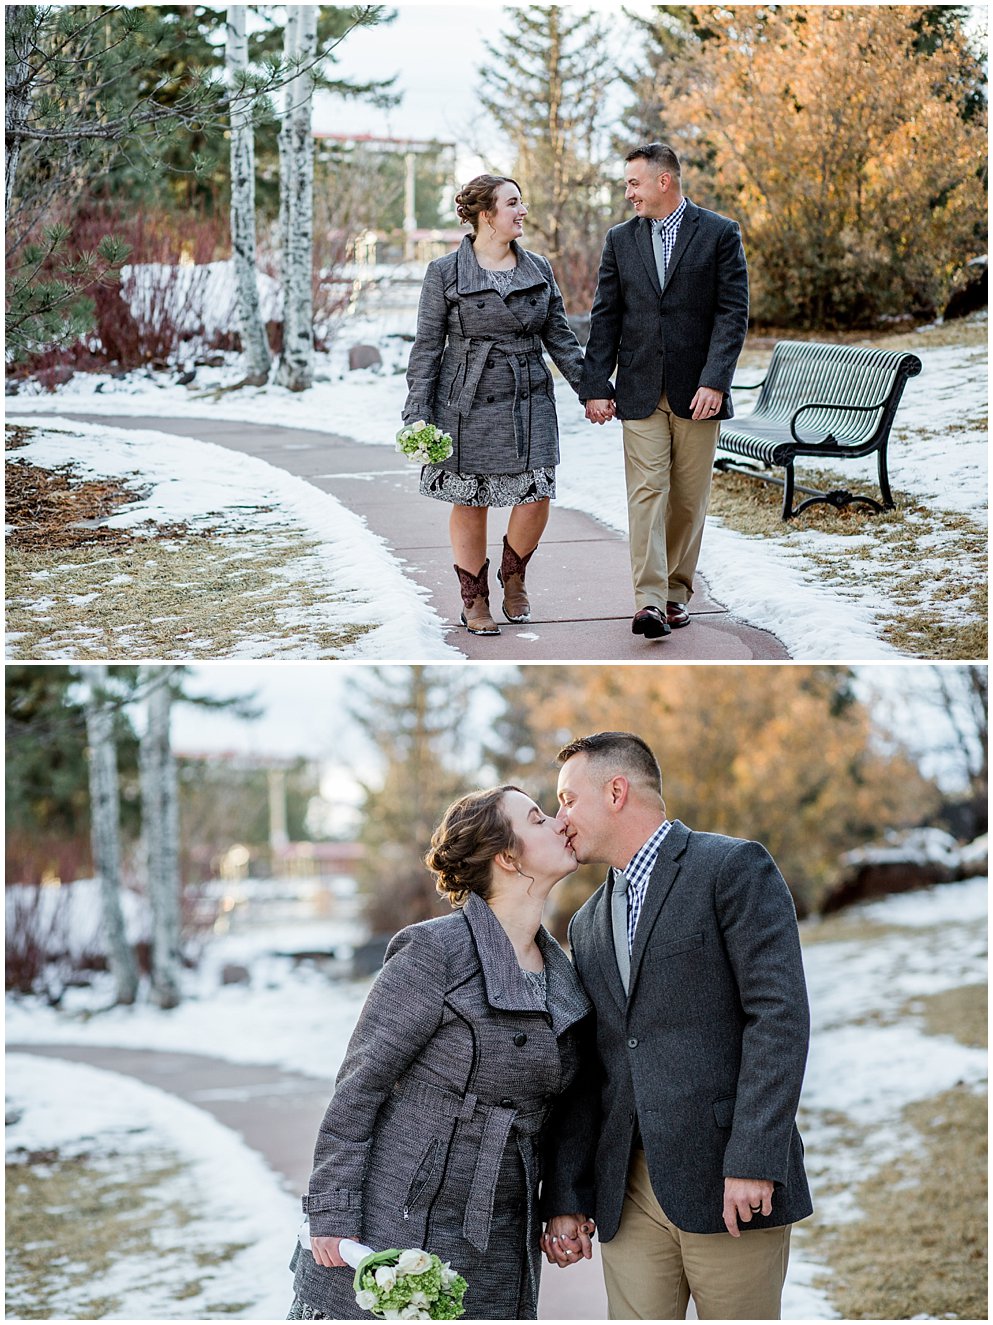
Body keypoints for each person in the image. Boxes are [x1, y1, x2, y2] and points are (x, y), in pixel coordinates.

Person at [288, 786, 592, 1320]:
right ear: (507, 855)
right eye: (538, 819)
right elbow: (361, 1085)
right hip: (405, 1208)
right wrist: (333, 1210)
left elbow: (565, 1109)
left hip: (503, 1220)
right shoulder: (435, 952)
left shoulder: (564, 976)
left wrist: (564, 1200)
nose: (559, 823)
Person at [541, 731, 812, 1320]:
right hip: (627, 1191)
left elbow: (779, 1017)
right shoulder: (586, 925)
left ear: (616, 791)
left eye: (567, 799)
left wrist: (754, 1158)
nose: (559, 817)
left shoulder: (732, 868)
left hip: (728, 1180)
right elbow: (589, 1067)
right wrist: (566, 1193)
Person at [579, 144, 749, 640]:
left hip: (699, 390)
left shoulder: (720, 233)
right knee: (647, 492)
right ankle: (649, 601)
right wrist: (596, 384)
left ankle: (677, 592)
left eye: (634, 182)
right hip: (638, 388)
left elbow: (732, 314)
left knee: (689, 500)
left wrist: (715, 379)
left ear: (663, 182)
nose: (628, 192)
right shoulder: (619, 240)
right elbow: (605, 315)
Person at [403, 175, 586, 635]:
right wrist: (417, 412)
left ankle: (513, 572)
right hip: (465, 399)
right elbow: (427, 347)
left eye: (521, 202)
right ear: (486, 214)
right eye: (512, 204)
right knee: (470, 500)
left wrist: (592, 389)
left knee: (537, 492)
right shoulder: (444, 272)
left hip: (528, 394)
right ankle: (474, 598)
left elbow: (560, 339)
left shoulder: (539, 268)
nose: (522, 211)